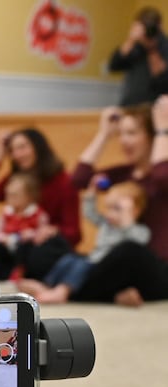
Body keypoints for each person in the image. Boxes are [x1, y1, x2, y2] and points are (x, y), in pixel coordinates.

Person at [67, 102, 168, 305]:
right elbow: (79, 179)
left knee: (128, 250)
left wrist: (162, 129)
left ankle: (69, 293)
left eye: (131, 133)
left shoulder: (161, 172)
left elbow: (161, 178)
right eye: (121, 134)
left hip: (159, 269)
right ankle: (116, 295)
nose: (123, 141)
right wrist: (104, 134)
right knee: (67, 254)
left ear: (151, 135)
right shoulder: (123, 174)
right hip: (124, 267)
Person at [0, 128, 80, 280]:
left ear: (38, 147)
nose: (17, 155)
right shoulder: (16, 180)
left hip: (39, 247)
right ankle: (13, 273)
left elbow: (75, 234)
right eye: (12, 150)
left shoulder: (63, 181)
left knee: (43, 253)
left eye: (22, 147)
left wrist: (52, 231)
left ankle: (6, 271)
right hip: (12, 247)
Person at [19, 180, 150, 304]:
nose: (109, 213)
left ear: (135, 211)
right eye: (108, 208)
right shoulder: (107, 224)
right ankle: (47, 285)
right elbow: (89, 213)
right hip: (93, 260)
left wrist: (126, 216)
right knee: (70, 258)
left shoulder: (139, 230)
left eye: (116, 209)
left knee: (81, 264)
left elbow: (135, 247)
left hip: (107, 268)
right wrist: (91, 192)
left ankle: (61, 292)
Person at [109, 7, 168, 106]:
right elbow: (114, 65)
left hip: (155, 107)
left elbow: (162, 80)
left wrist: (151, 49)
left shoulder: (164, 46)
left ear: (159, 26)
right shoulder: (134, 45)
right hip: (130, 105)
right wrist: (131, 39)